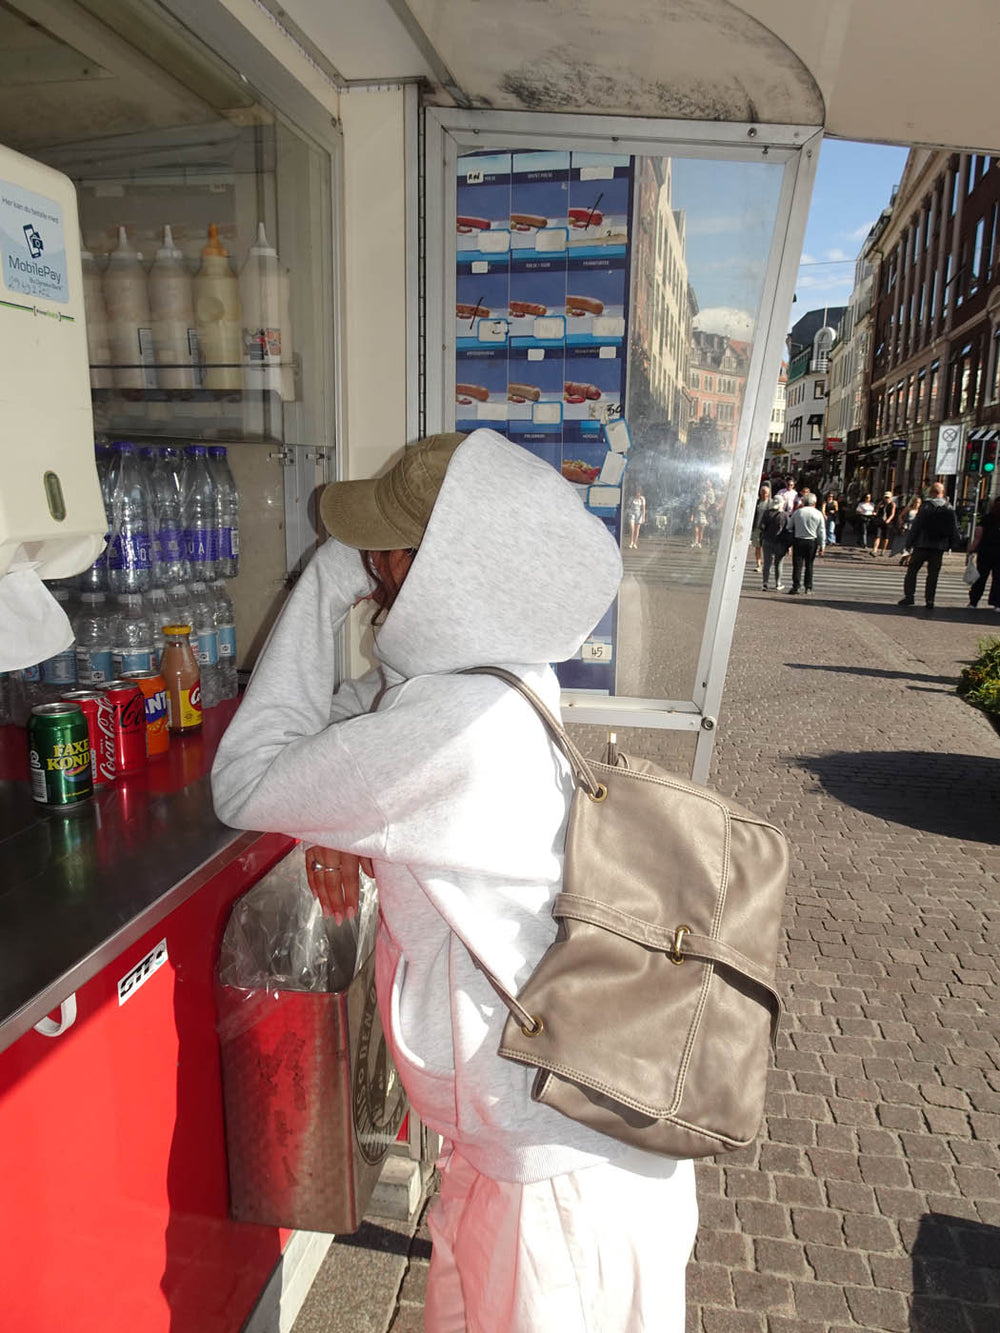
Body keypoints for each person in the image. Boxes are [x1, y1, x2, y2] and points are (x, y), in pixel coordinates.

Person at [211, 430, 698, 1331]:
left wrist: (322, 586)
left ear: (432, 571)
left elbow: (246, 777)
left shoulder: (454, 729)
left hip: (551, 1189)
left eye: (382, 550)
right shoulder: (501, 681)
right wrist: (344, 809)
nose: (369, 567)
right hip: (537, 1152)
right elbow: (358, 722)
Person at [897, 481, 962, 614]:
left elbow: (917, 526)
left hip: (922, 544)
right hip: (939, 546)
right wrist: (953, 543)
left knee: (912, 571)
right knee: (933, 574)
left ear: (932, 492)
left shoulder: (926, 506)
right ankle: (930, 600)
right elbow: (954, 527)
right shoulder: (949, 507)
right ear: (942, 493)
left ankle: (909, 596)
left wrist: (909, 543)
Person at [786, 492, 826, 595]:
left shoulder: (798, 512)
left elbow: (789, 527)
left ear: (803, 502)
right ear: (814, 503)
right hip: (812, 541)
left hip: (799, 540)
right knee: (809, 565)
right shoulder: (818, 514)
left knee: (797, 564)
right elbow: (821, 531)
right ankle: (808, 587)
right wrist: (822, 545)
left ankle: (796, 586)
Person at [967, 496, 1000, 611]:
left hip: (985, 552)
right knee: (998, 579)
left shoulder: (987, 518)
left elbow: (978, 535)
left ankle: (973, 602)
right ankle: (997, 604)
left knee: (980, 578)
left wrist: (972, 548)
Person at [759, 494, 789, 591]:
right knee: (778, 563)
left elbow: (761, 526)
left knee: (767, 563)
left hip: (767, 540)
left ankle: (765, 583)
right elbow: (788, 529)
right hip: (779, 542)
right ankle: (778, 583)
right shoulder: (784, 515)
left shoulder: (767, 513)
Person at [752, 484, 771, 572]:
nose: (764, 495)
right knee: (757, 547)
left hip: (767, 529)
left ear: (769, 493)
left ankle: (768, 565)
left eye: (766, 493)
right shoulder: (757, 503)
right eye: (762, 493)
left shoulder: (771, 503)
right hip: (757, 527)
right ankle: (758, 564)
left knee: (767, 548)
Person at [872, 491, 896, 556]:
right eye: (885, 497)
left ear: (891, 498)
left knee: (885, 537)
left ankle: (883, 550)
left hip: (887, 522)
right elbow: (876, 510)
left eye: (888, 497)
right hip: (880, 521)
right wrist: (875, 512)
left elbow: (892, 514)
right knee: (877, 536)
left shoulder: (892, 504)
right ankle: (875, 550)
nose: (886, 499)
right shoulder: (880, 503)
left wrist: (889, 519)